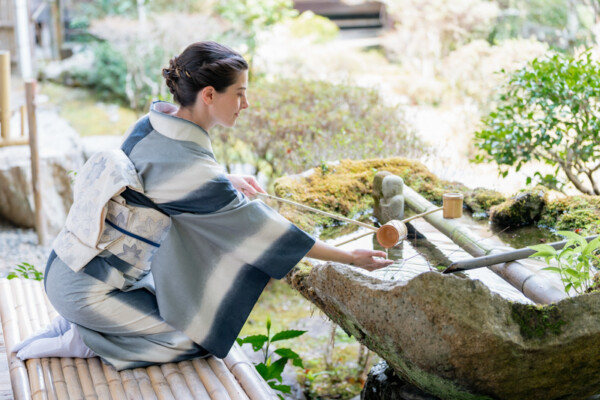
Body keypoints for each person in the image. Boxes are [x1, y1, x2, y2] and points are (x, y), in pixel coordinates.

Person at [13, 41, 393, 370]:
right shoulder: (194, 170)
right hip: (88, 290)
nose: (246, 104)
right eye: (239, 93)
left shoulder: (151, 123)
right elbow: (267, 232)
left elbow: (155, 175)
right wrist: (348, 257)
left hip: (68, 264)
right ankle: (84, 338)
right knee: (197, 340)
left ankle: (77, 322)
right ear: (209, 95)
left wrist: (225, 179)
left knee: (182, 309)